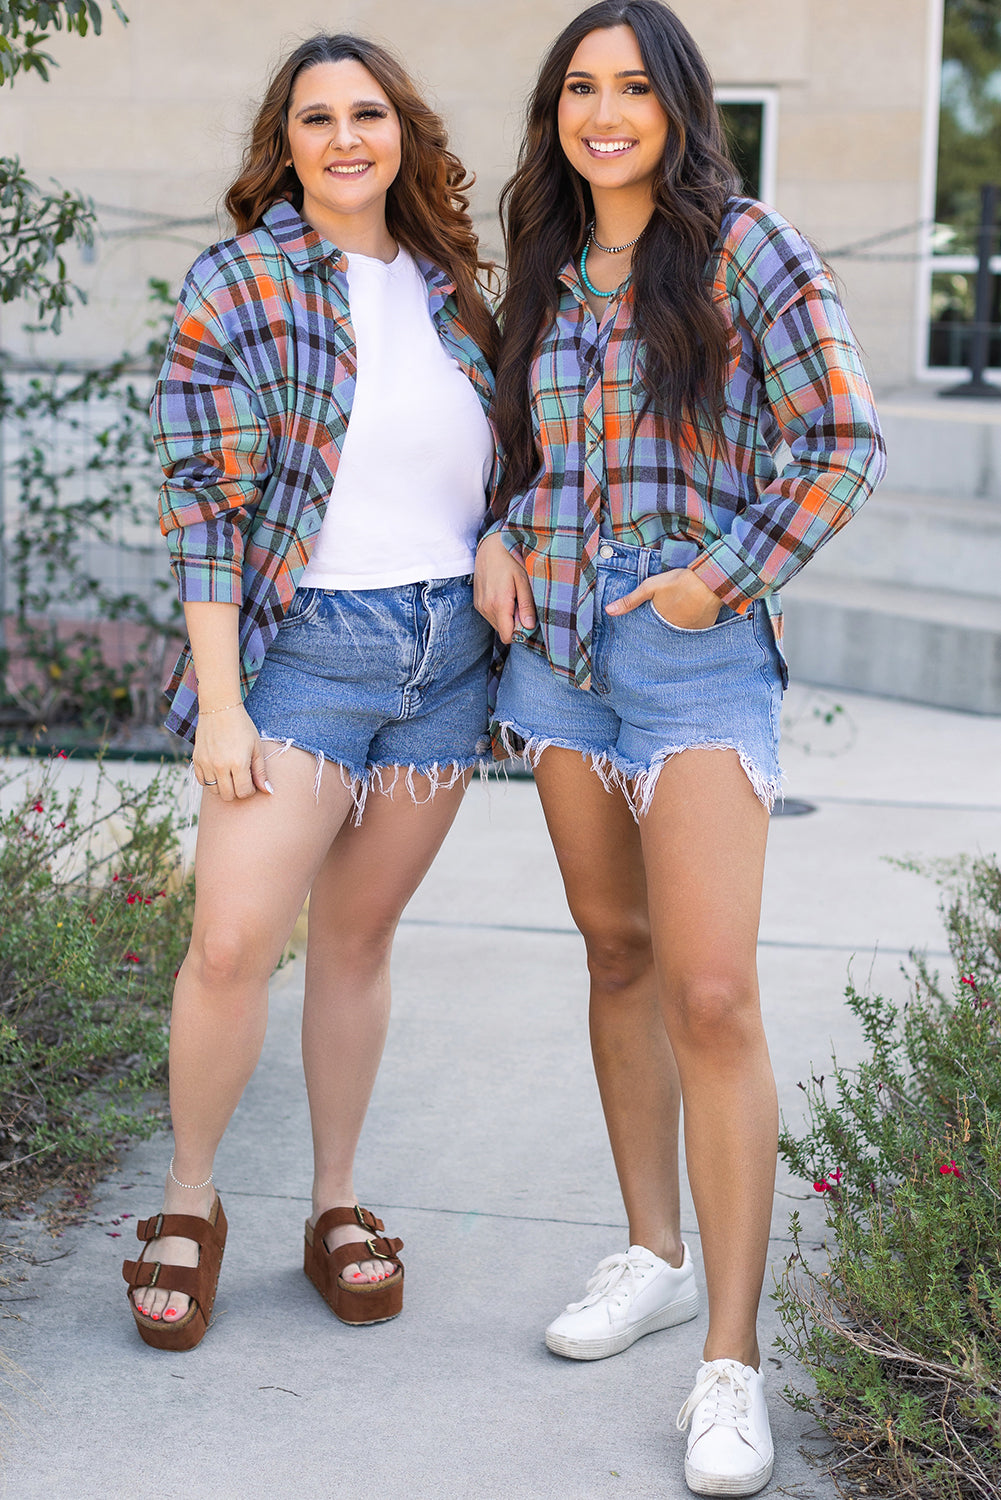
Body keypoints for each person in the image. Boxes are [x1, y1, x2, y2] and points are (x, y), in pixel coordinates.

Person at [474, 2, 884, 1493]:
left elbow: (840, 438)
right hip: (560, 665)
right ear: (554, 110)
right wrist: (497, 536)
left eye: (632, 88)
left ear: (677, 105)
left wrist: (724, 574)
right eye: (580, 88)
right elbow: (519, 455)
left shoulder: (743, 248)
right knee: (616, 956)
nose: (603, 112)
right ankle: (647, 1253)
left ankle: (728, 1359)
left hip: (695, 649)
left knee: (711, 992)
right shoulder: (538, 263)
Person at [122, 32, 498, 1351]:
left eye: (369, 112)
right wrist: (221, 703)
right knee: (230, 942)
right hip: (303, 660)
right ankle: (187, 1202)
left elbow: (499, 475)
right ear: (283, 146)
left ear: (404, 129)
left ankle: (334, 1204)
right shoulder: (239, 279)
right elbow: (205, 505)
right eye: (317, 117)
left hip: (445, 661)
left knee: (356, 940)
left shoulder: (455, 286)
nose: (347, 136)